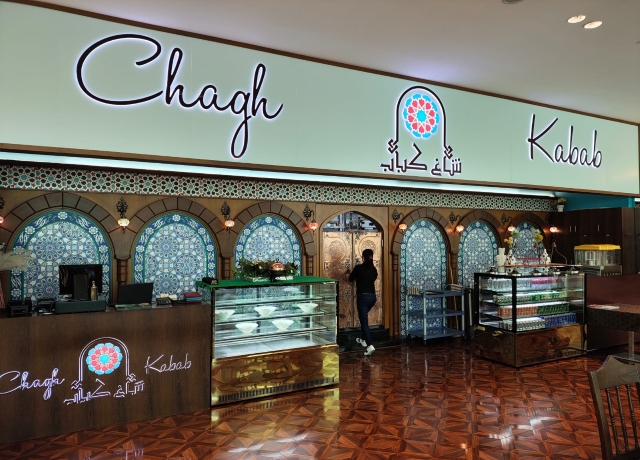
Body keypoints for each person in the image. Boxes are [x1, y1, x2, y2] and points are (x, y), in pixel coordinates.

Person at [348, 248, 378, 356]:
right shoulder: (374, 270)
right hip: (372, 298)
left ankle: (370, 345)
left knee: (364, 321)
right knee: (363, 318)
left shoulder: (358, 268)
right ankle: (364, 340)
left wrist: (350, 272)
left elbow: (350, 279)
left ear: (363, 257)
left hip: (363, 298)